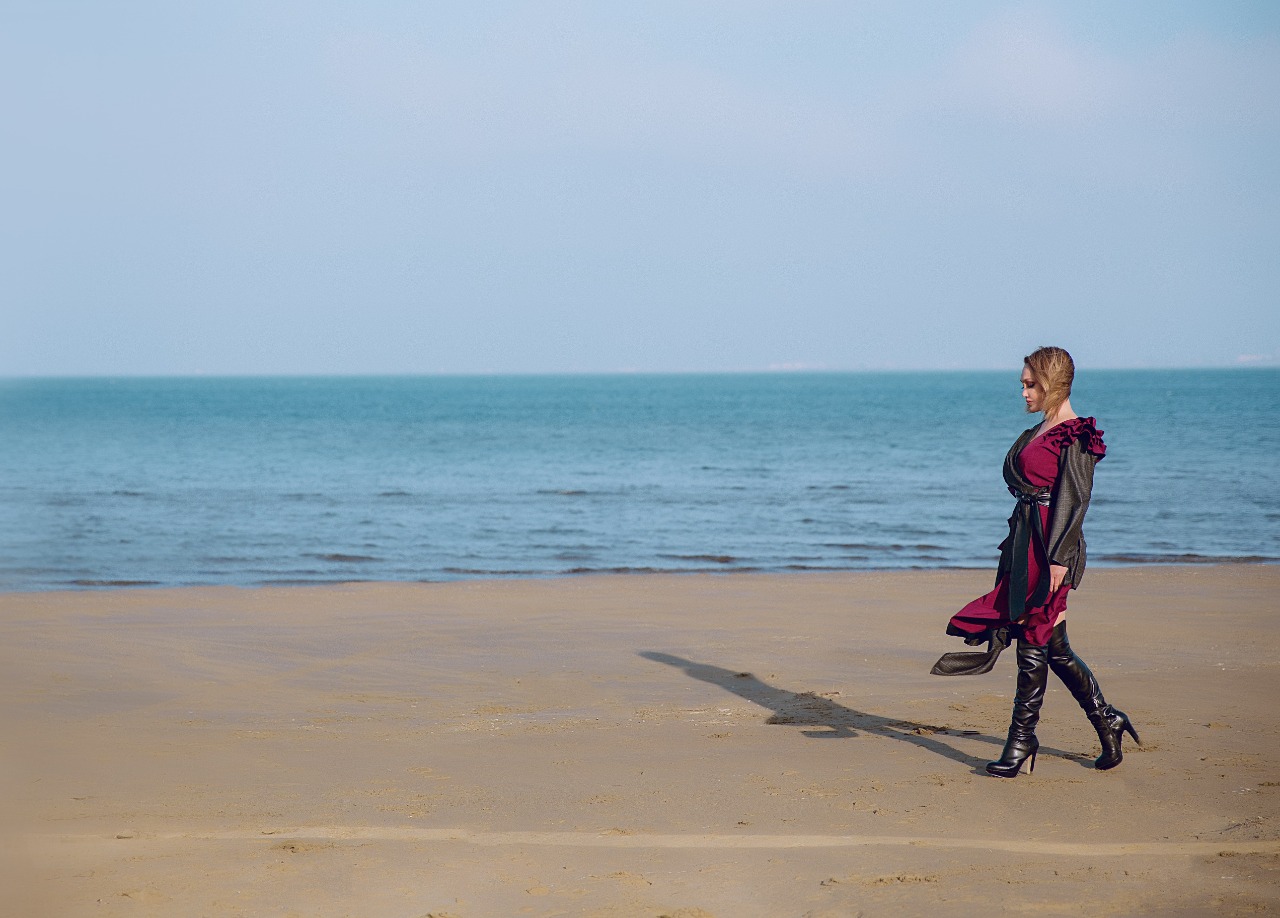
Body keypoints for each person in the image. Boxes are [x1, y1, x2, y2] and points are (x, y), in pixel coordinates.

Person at [930, 346, 1138, 778]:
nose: (1023, 392)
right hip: (1025, 543)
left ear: (1053, 383)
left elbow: (1075, 500)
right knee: (1052, 645)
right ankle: (1107, 719)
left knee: (1033, 640)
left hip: (1050, 550)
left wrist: (1059, 559)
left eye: (1031, 384)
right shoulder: (1040, 429)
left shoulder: (1076, 434)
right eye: (1022, 384)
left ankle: (1021, 739)